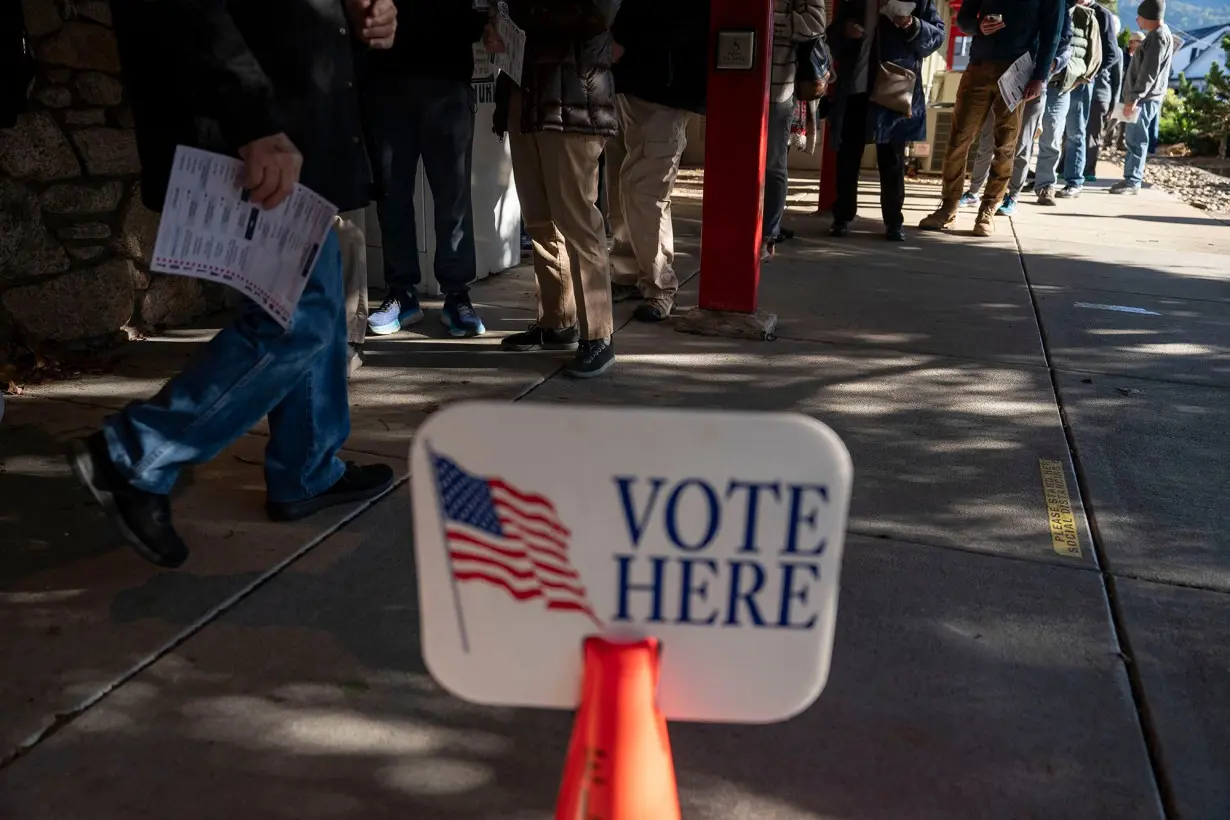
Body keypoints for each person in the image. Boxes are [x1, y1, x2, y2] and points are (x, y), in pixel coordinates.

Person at [71, 0, 400, 568]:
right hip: (250, 131)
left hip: (290, 128)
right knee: (298, 319)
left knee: (307, 302)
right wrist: (252, 121)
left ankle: (307, 469)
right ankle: (136, 453)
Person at [489, 1, 619, 379]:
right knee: (540, 219)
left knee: (577, 220)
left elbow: (597, 14)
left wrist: (519, 18)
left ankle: (599, 334)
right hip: (525, 95)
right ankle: (557, 321)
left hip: (573, 100)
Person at [362, 0, 487, 338]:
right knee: (391, 194)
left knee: (453, 196)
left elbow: (479, 14)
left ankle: (457, 294)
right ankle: (401, 293)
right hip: (386, 79)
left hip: (447, 78)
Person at [919, 0, 1065, 236]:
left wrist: (1040, 77)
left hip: (1017, 72)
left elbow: (1053, 34)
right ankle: (948, 208)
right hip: (978, 67)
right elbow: (964, 18)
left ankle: (988, 209)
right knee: (958, 140)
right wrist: (978, 27)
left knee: (1005, 145)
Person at [605, 0, 709, 321]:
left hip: (660, 81)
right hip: (630, 80)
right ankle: (628, 271)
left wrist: (619, 38)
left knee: (644, 191)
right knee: (623, 186)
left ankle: (659, 284)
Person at [829, 0, 944, 241]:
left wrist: (911, 24)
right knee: (847, 156)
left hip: (893, 87)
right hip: (855, 86)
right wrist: (845, 30)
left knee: (892, 160)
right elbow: (832, 37)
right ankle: (842, 217)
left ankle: (893, 221)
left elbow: (936, 36)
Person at [956, 5, 1073, 216]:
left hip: (1033, 84)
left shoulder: (1059, 10)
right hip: (1004, 77)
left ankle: (1012, 195)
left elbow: (1063, 45)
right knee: (988, 137)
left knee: (1021, 142)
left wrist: (1045, 70)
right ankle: (974, 190)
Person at [764, 0, 828, 260]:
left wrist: (769, 21)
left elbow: (815, 24)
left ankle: (768, 233)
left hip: (779, 86)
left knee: (773, 163)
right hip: (734, 79)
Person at [1033, 0, 1099, 206]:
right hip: (1031, 77)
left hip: (1062, 84)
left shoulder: (1087, 17)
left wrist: (1081, 77)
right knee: (1023, 135)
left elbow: (1097, 54)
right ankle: (1012, 183)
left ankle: (1046, 185)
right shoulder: (1042, 5)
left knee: (1053, 135)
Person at [1051, 0, 1112, 199]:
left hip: (1081, 81)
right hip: (1058, 76)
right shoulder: (1064, 6)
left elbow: (1111, 54)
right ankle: (1046, 177)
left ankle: (1074, 180)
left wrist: (1088, 75)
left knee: (1076, 131)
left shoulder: (1101, 14)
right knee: (1052, 129)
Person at [1112, 0, 1174, 194]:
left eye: (1140, 16)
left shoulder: (1158, 37)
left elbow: (1149, 72)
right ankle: (1129, 178)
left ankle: (1133, 181)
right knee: (1133, 138)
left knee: (1137, 139)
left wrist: (1134, 98)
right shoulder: (1156, 35)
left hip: (1144, 99)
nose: (1137, 19)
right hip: (1144, 97)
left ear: (1149, 16)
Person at [1084, 9, 1121, 181]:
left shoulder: (1116, 53)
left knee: (1092, 135)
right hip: (1084, 92)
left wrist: (1113, 104)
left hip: (1100, 96)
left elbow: (1117, 81)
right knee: (1072, 132)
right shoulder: (1089, 42)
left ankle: (1089, 170)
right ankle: (1065, 165)